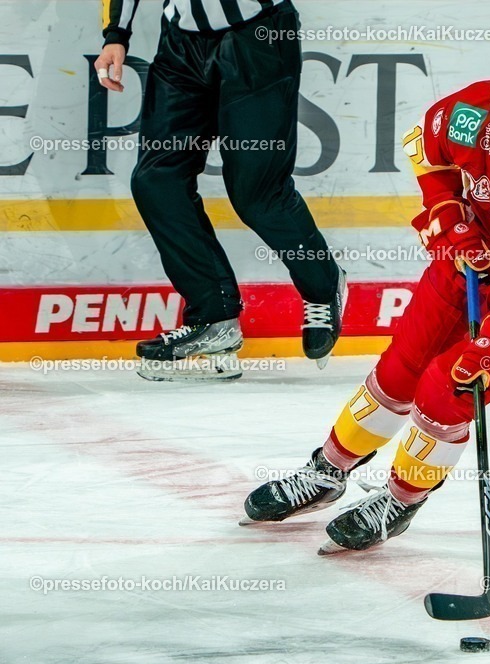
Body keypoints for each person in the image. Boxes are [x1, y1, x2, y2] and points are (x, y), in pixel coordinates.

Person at [241, 34, 490, 553]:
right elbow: (426, 149)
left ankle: (400, 499)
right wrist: (448, 215)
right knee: (400, 368)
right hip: (478, 251)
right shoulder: (472, 113)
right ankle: (327, 470)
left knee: (447, 387)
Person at [94, 0, 344, 381]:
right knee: (157, 180)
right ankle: (214, 316)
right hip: (181, 44)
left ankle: (323, 284)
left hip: (258, 36)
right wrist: (116, 33)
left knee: (257, 193)